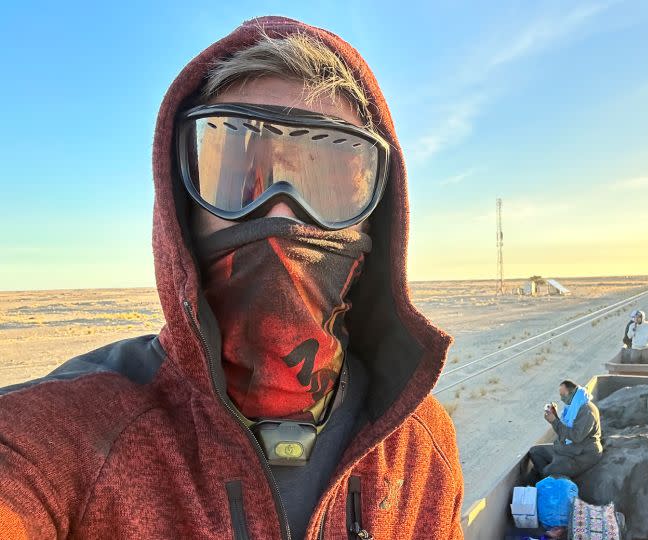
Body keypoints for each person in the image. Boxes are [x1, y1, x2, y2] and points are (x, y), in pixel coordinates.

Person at [0, 17, 463, 539]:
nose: (283, 213)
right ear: (182, 208)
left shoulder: (422, 452)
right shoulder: (80, 435)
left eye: (330, 179)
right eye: (240, 174)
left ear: (375, 219)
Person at [529, 380, 603, 480]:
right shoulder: (573, 406)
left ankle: (547, 478)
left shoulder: (586, 411)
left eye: (563, 395)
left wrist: (555, 421)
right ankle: (547, 478)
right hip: (567, 449)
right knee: (535, 451)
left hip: (581, 455)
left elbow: (575, 437)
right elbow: (564, 430)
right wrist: (555, 417)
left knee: (547, 472)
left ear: (572, 393)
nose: (561, 399)